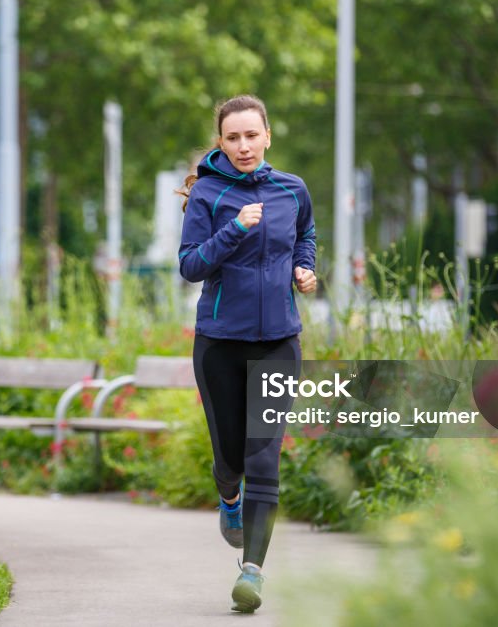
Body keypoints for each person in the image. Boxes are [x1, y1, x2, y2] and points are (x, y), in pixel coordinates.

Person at [176, 94, 317, 613]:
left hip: (279, 340)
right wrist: (234, 230)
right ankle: (227, 497)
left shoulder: (292, 190)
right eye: (232, 137)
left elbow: (306, 236)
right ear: (220, 141)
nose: (243, 146)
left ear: (268, 135)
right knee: (231, 457)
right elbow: (190, 266)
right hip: (219, 343)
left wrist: (305, 269)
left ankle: (252, 572)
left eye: (251, 135)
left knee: (264, 457)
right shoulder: (208, 195)